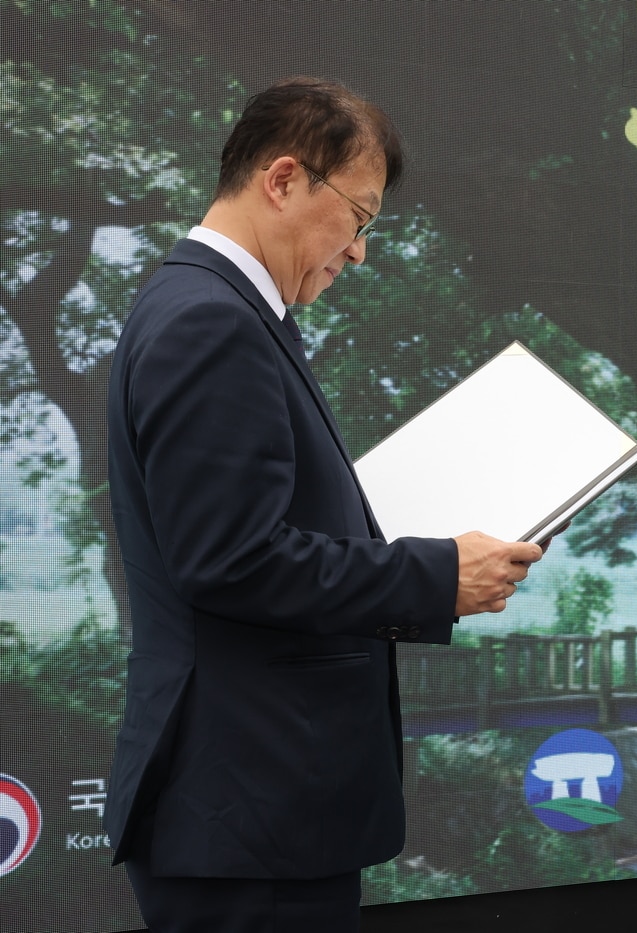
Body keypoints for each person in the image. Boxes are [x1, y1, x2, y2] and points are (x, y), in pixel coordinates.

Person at [104, 76, 547, 932]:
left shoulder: (215, 307)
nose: (360, 250)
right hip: (250, 811)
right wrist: (437, 573)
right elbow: (232, 558)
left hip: (250, 812)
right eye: (361, 216)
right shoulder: (212, 321)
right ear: (282, 180)